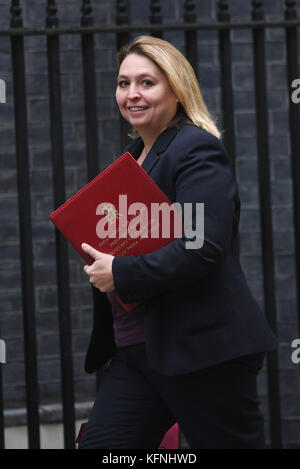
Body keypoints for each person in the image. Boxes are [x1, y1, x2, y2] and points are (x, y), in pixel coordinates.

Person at [78, 35, 278, 449]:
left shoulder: (195, 149)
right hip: (138, 352)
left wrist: (120, 271)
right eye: (123, 83)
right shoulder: (133, 158)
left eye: (147, 83)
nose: (132, 94)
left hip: (202, 352)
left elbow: (201, 244)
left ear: (177, 88)